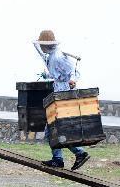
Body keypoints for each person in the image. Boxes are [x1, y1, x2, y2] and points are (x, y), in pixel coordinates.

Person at [33, 30, 90, 170]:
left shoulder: (58, 56)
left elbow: (74, 72)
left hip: (62, 96)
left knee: (54, 129)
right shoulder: (52, 56)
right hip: (58, 94)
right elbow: (57, 74)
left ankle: (73, 155)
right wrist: (46, 75)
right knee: (54, 129)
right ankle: (60, 158)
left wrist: (73, 80)